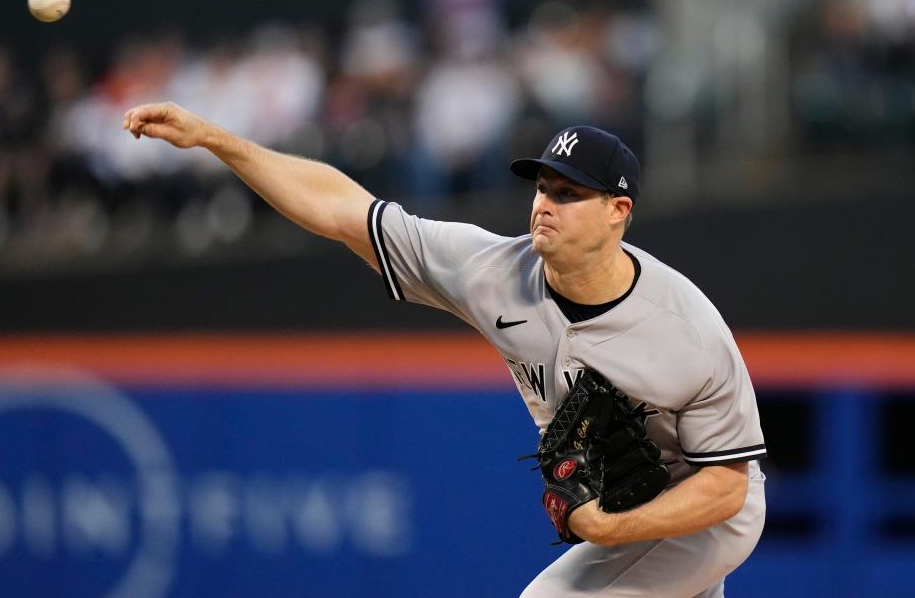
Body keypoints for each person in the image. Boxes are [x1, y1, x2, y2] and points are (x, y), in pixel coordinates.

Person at [122, 102, 767, 598]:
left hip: (705, 511)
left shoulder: (687, 328)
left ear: (617, 211)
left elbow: (727, 489)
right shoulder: (490, 269)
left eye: (567, 194)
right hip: (622, 504)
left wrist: (604, 528)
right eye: (541, 187)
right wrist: (215, 139)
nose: (544, 204)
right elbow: (343, 210)